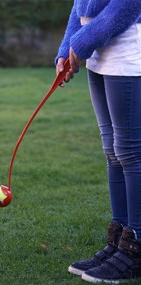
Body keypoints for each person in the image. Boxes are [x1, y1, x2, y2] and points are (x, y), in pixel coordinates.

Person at [55, 0, 141, 283]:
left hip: (127, 54)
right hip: (97, 55)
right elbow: (79, 6)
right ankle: (120, 241)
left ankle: (136, 246)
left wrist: (80, 43)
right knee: (112, 151)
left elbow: (128, 5)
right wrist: (65, 49)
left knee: (129, 152)